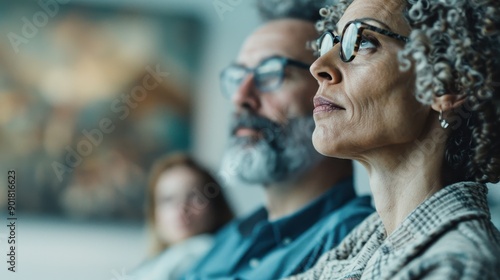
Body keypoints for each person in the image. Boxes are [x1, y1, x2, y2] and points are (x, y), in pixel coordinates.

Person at [287, 0, 500, 279]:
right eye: (332, 43)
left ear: (447, 85)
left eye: (362, 42)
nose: (318, 66)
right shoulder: (365, 240)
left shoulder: (457, 266)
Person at [182, 1, 374, 279]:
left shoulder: (355, 243)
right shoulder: (230, 237)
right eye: (238, 78)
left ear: (329, 85)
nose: (241, 98)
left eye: (271, 74)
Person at [131, 153, 234, 280]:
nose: (181, 208)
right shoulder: (150, 268)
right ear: (154, 212)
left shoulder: (231, 265)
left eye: (194, 197)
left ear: (216, 206)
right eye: (168, 199)